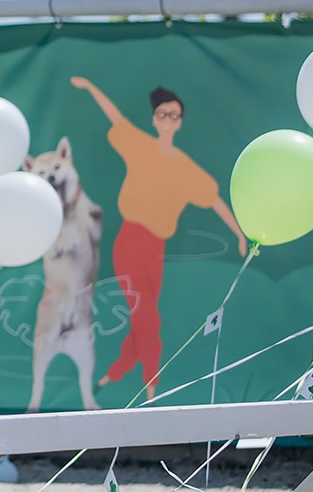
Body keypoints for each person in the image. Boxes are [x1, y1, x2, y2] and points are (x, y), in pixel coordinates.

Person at [70, 76, 247, 400]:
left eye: (174, 115)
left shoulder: (185, 167)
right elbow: (115, 118)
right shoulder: (139, 145)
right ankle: (152, 385)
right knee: (148, 315)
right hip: (130, 241)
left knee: (144, 315)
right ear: (154, 119)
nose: (168, 120)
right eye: (163, 114)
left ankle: (120, 368)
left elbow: (215, 199)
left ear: (180, 122)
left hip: (156, 249)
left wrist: (238, 233)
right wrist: (91, 88)